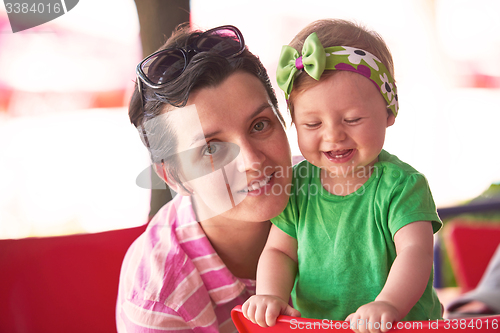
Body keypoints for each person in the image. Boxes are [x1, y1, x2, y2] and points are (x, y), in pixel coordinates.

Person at [242, 19, 443, 333]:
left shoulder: (402, 185)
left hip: (397, 326)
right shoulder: (297, 184)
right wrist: (271, 294)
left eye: (352, 119)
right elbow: (280, 251)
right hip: (318, 326)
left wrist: (388, 303)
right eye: (312, 124)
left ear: (389, 111)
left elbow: (414, 251)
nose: (333, 136)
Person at [116, 24, 293, 333]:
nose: (252, 160)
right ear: (175, 177)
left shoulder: (336, 186)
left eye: (260, 125)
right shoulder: (159, 301)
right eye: (211, 148)